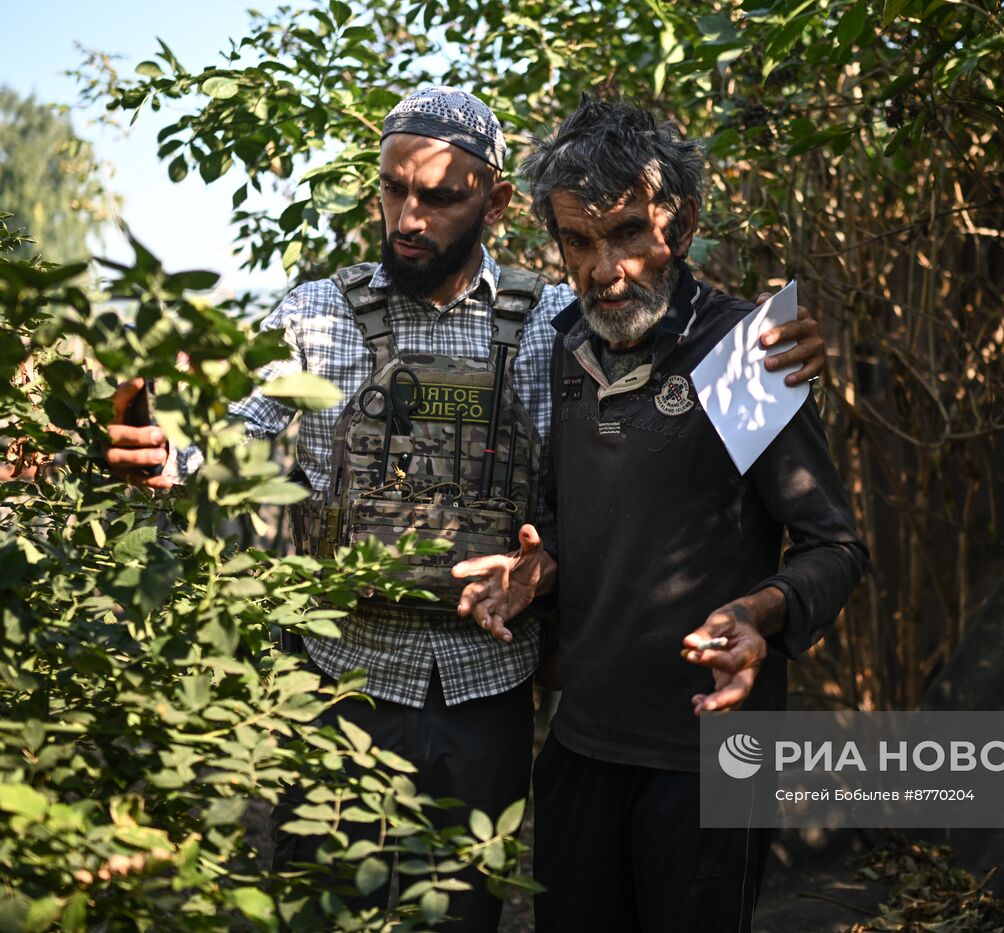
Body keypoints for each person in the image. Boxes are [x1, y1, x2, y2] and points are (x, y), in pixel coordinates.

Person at [99, 87, 828, 930]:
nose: (410, 217)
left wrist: (779, 350)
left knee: (461, 913)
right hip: (338, 680)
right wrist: (168, 461)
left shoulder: (557, 320)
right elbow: (235, 448)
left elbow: (659, 357)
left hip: (489, 691)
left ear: (497, 200)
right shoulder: (317, 314)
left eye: (441, 196)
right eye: (394, 190)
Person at [453, 96, 868, 933]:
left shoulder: (748, 355)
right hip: (578, 752)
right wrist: (541, 564)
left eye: (628, 234)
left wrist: (760, 611)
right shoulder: (564, 345)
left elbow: (836, 545)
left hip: (710, 760)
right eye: (579, 241)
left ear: (677, 226)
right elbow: (588, 521)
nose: (605, 269)